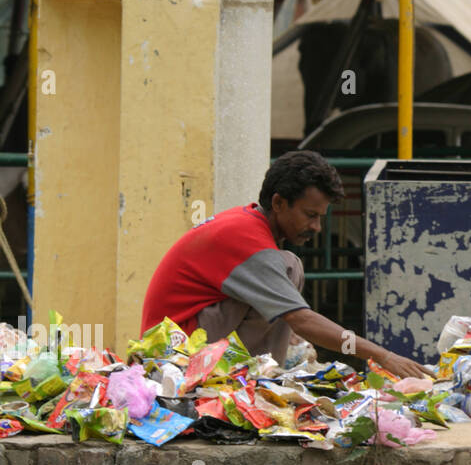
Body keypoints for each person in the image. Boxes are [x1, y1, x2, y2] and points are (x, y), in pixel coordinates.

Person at [141, 150, 426, 378]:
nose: (316, 227)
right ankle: (257, 379)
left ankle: (260, 373)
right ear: (278, 203)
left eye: (320, 218)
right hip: (170, 356)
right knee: (286, 281)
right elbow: (301, 318)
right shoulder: (247, 241)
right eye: (309, 215)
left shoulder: (249, 225)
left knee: (289, 267)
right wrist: (383, 356)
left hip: (189, 335)